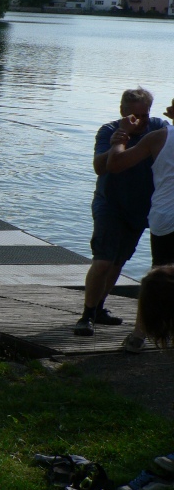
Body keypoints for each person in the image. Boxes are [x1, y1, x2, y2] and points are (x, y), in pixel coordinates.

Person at [75, 89, 167, 337]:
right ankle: (86, 315)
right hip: (110, 204)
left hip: (140, 208)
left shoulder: (158, 127)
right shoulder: (109, 131)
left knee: (118, 261)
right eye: (135, 116)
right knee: (103, 260)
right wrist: (121, 139)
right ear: (123, 113)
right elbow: (99, 167)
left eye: (145, 114)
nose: (141, 121)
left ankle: (99, 308)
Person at [106, 95, 174, 351]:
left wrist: (120, 138)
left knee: (159, 279)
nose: (166, 108)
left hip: (166, 218)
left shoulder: (159, 137)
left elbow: (116, 164)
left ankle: (138, 335)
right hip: (166, 218)